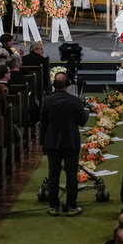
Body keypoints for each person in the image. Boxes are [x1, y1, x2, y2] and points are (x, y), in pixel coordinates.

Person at [40, 71, 88, 216]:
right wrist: (85, 112)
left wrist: (42, 143)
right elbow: (82, 121)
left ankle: (53, 206)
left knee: (53, 174)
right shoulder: (75, 101)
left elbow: (43, 124)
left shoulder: (47, 101)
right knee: (72, 175)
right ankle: (71, 205)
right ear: (68, 84)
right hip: (70, 142)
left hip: (52, 142)